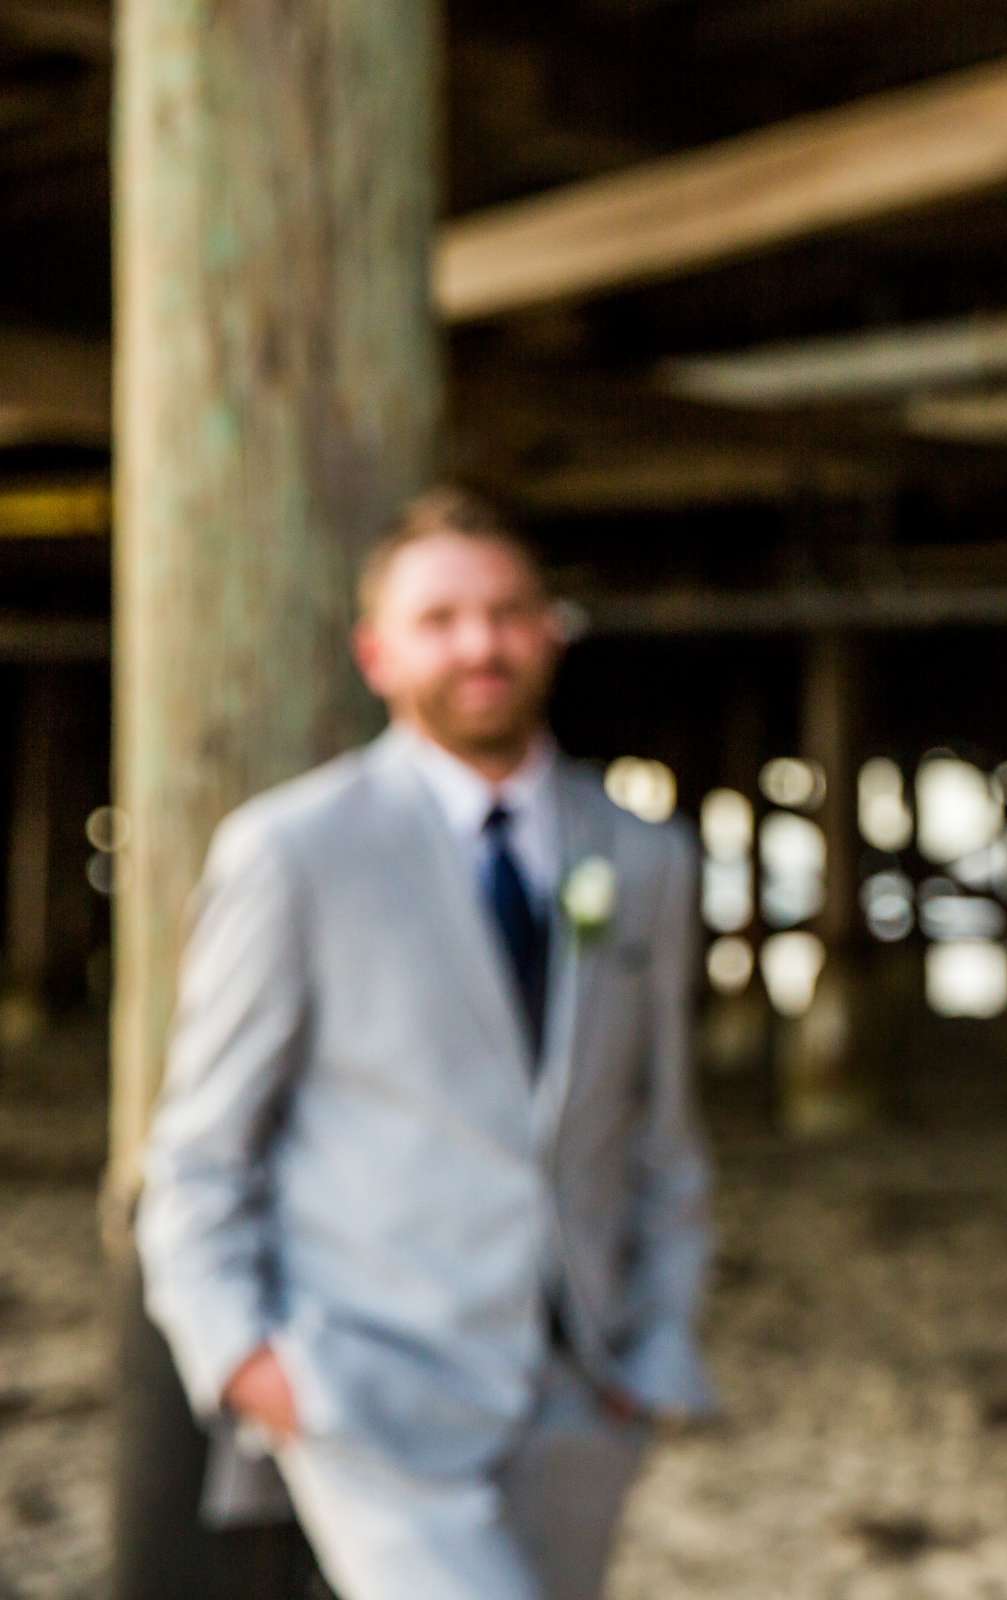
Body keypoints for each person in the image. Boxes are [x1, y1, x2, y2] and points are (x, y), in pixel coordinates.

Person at [135, 486, 715, 1600]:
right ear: (376, 653)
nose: (480, 644)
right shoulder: (292, 852)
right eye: (440, 619)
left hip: (583, 1398)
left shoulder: (646, 855)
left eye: (506, 612)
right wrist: (247, 1361)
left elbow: (663, 1127)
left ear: (550, 629)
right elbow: (200, 1147)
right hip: (365, 1387)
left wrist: (655, 1349)